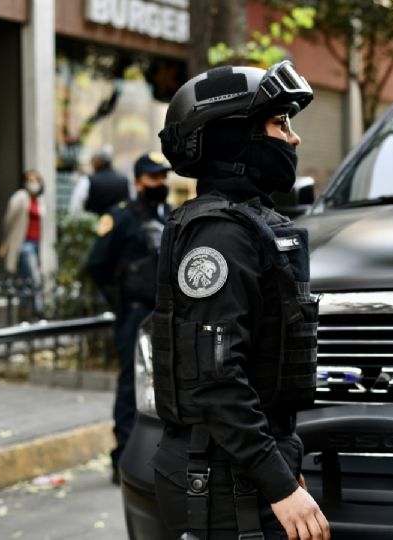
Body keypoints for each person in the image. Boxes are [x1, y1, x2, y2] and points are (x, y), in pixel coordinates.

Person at [151, 61, 327, 539]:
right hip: (219, 474)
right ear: (235, 138)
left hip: (240, 463)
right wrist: (278, 483)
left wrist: (282, 465)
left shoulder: (248, 227)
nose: (293, 140)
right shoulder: (220, 239)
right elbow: (216, 382)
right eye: (279, 123)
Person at [85, 152, 172, 484]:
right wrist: (119, 300)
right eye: (153, 178)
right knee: (129, 388)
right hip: (134, 313)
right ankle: (122, 459)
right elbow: (97, 265)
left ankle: (158, 457)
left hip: (162, 312)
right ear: (138, 182)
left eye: (163, 177)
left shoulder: (171, 216)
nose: (160, 184)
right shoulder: (120, 217)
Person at [0, 170, 46, 313]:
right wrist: (9, 238)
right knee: (34, 277)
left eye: (36, 180)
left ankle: (23, 308)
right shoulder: (20, 197)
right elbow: (8, 220)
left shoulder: (39, 200)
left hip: (36, 242)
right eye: (30, 180)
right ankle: (38, 310)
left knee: (26, 278)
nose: (33, 183)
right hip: (24, 244)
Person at [68, 147, 134, 215]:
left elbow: (75, 208)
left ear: (98, 161)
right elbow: (131, 204)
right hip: (120, 224)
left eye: (93, 160)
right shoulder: (125, 181)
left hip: (94, 224)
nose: (92, 163)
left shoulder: (87, 181)